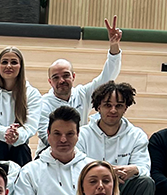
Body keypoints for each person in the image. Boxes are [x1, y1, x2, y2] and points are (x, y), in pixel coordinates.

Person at [36, 16, 123, 145]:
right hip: (50, 152)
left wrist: (114, 46)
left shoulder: (83, 94)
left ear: (73, 76)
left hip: (80, 151)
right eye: (56, 77)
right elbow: (45, 135)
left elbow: (108, 76)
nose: (61, 80)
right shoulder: (43, 104)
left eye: (66, 75)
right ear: (50, 82)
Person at [78, 81, 155, 195]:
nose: (113, 110)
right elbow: (76, 166)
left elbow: (144, 168)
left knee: (145, 183)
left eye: (118, 106)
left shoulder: (136, 135)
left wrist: (134, 169)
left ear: (125, 108)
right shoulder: (83, 134)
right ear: (98, 107)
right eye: (108, 105)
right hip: (92, 187)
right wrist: (105, 172)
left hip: (123, 186)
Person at [11, 106, 92, 195]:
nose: (63, 139)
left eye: (69, 134)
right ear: (48, 134)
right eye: (57, 134)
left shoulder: (91, 170)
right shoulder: (30, 171)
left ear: (78, 135)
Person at [0, 47, 41, 165]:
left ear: (20, 67)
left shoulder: (32, 94)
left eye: (14, 62)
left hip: (20, 146)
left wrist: (17, 135)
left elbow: (31, 125)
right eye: (4, 62)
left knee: (21, 148)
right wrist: (5, 133)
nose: (8, 66)